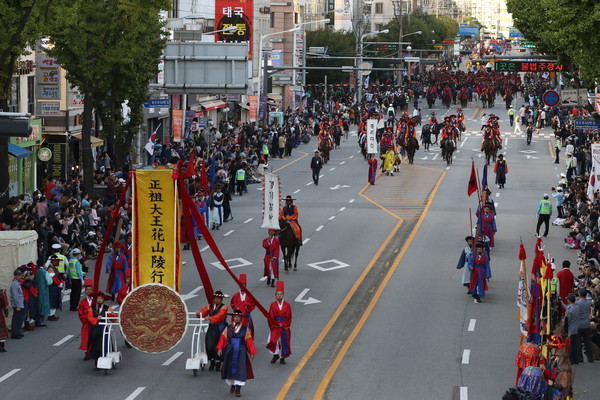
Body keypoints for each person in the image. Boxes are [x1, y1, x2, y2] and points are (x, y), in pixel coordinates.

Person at [216, 309, 257, 397]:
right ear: (233, 318)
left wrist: (252, 352)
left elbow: (249, 341)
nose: (237, 318)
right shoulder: (228, 328)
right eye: (235, 317)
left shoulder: (245, 329)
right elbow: (223, 338)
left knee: (241, 368)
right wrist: (220, 348)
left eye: (238, 317)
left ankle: (238, 390)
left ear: (241, 318)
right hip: (230, 350)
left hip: (241, 351)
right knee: (230, 367)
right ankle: (232, 385)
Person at [197, 290, 229, 371]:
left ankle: (219, 362)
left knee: (219, 346)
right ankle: (212, 361)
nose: (217, 300)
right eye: (216, 298)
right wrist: (199, 313)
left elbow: (220, 316)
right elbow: (203, 311)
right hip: (212, 327)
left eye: (219, 298)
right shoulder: (210, 306)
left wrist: (210, 318)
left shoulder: (224, 307)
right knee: (209, 344)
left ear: (221, 299)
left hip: (221, 328)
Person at [86, 291, 115, 368]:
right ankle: (96, 361)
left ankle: (106, 360)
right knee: (96, 345)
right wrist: (96, 319)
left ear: (103, 300)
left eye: (101, 298)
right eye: (98, 298)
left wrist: (112, 314)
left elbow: (113, 318)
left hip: (104, 328)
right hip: (95, 328)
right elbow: (89, 318)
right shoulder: (91, 309)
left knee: (105, 344)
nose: (99, 300)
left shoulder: (107, 308)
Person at [267, 280, 291, 365]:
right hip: (275, 325)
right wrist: (275, 324)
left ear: (283, 295)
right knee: (274, 341)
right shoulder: (273, 304)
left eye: (281, 294)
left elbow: (288, 317)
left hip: (284, 326)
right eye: (278, 294)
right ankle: (275, 354)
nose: (279, 295)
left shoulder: (287, 305)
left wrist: (283, 324)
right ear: (275, 295)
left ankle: (282, 357)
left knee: (283, 341)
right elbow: (270, 316)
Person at [576, 288, 595, 363]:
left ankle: (580, 359)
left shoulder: (577, 303)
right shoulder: (589, 302)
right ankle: (590, 358)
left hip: (579, 324)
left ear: (579, 294)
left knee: (579, 342)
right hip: (586, 324)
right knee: (588, 342)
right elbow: (592, 309)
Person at [78, 279, 94, 360]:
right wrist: (86, 319)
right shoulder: (83, 302)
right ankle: (87, 353)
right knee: (86, 338)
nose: (89, 291)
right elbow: (80, 313)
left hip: (95, 323)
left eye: (90, 289)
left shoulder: (95, 300)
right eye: (87, 289)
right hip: (87, 324)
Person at [564, 293, 582, 364]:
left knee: (570, 346)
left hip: (570, 330)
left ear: (569, 300)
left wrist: (566, 330)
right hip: (576, 329)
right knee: (575, 345)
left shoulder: (569, 309)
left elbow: (566, 320)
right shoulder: (577, 307)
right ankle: (576, 360)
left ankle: (570, 360)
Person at [47, 255, 64, 321]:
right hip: (53, 287)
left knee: (55, 300)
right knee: (53, 300)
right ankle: (51, 315)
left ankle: (52, 314)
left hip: (56, 286)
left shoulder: (54, 268)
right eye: (57, 261)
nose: (58, 263)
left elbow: (58, 277)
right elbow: (53, 278)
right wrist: (59, 283)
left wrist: (61, 282)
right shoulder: (50, 269)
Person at [10, 269, 25, 339]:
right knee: (16, 319)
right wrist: (17, 306)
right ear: (15, 276)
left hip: (20, 303)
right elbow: (15, 296)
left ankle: (17, 331)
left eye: (20, 275)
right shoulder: (15, 285)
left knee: (19, 319)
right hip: (17, 304)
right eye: (18, 276)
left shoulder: (17, 283)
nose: (20, 277)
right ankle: (14, 333)